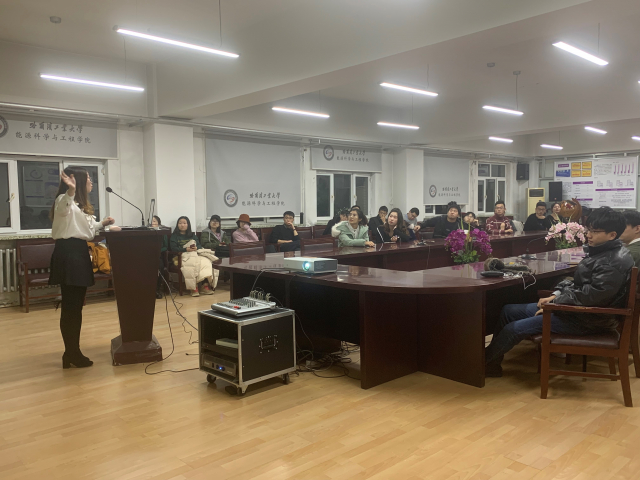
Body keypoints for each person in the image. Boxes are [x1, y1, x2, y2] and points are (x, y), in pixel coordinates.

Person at [485, 207, 634, 377]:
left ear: (612, 235)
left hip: (587, 319)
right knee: (508, 311)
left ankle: (483, 363)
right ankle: (491, 363)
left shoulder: (612, 262)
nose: (589, 235)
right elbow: (579, 284)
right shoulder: (603, 252)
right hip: (575, 311)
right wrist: (555, 295)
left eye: (595, 231)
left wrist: (556, 304)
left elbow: (592, 296)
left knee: (514, 328)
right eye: (588, 229)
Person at [48, 167, 116, 368]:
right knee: (71, 307)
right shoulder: (64, 199)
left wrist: (103, 223)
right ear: (76, 181)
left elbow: (86, 229)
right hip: (69, 254)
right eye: (88, 178)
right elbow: (63, 209)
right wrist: (70, 190)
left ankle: (71, 352)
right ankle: (71, 353)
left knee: (75, 307)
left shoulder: (80, 205)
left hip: (78, 252)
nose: (91, 182)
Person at [170, 216, 215, 296]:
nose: (182, 225)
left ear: (188, 225)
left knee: (205, 262)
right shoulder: (174, 236)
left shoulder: (192, 235)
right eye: (180, 223)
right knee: (191, 264)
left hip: (195, 254)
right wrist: (185, 249)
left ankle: (204, 286)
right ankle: (193, 287)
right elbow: (173, 248)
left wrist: (196, 248)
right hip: (182, 256)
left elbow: (199, 246)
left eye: (184, 223)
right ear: (177, 225)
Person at [151, 215, 169, 299]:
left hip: (158, 255)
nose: (152, 223)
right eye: (151, 221)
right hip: (148, 255)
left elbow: (165, 246)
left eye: (154, 221)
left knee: (160, 266)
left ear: (158, 223)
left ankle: (157, 290)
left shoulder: (162, 233)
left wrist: (158, 250)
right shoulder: (147, 232)